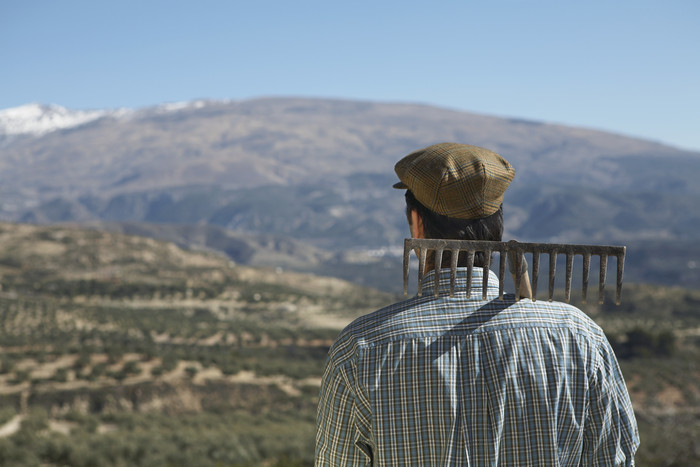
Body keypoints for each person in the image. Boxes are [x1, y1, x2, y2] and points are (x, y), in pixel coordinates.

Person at [315, 142, 639, 466]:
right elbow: (615, 459)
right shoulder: (579, 337)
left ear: (416, 222)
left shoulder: (360, 350)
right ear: (498, 226)